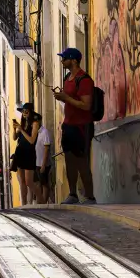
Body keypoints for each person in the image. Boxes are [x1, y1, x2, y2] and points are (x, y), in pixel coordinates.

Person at [53, 47, 96, 205]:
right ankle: (73, 194)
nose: (62, 61)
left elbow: (86, 105)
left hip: (81, 126)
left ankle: (90, 197)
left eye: (64, 58)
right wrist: (62, 97)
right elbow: (70, 100)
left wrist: (66, 98)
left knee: (82, 161)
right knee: (69, 161)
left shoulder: (84, 79)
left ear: (74, 60)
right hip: (68, 125)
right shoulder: (67, 78)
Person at [12, 103, 40, 206]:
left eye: (26, 112)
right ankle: (23, 204)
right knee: (22, 182)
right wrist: (15, 129)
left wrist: (22, 130)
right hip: (20, 152)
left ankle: (40, 198)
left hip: (29, 153)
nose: (24, 114)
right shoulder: (22, 124)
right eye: (23, 111)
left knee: (29, 182)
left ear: (31, 112)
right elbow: (14, 138)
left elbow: (32, 140)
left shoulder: (35, 124)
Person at [34, 117, 52, 204]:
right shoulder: (36, 132)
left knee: (44, 183)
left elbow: (46, 148)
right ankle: (40, 202)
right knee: (38, 183)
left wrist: (43, 165)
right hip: (36, 163)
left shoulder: (44, 132)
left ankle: (44, 202)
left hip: (42, 163)